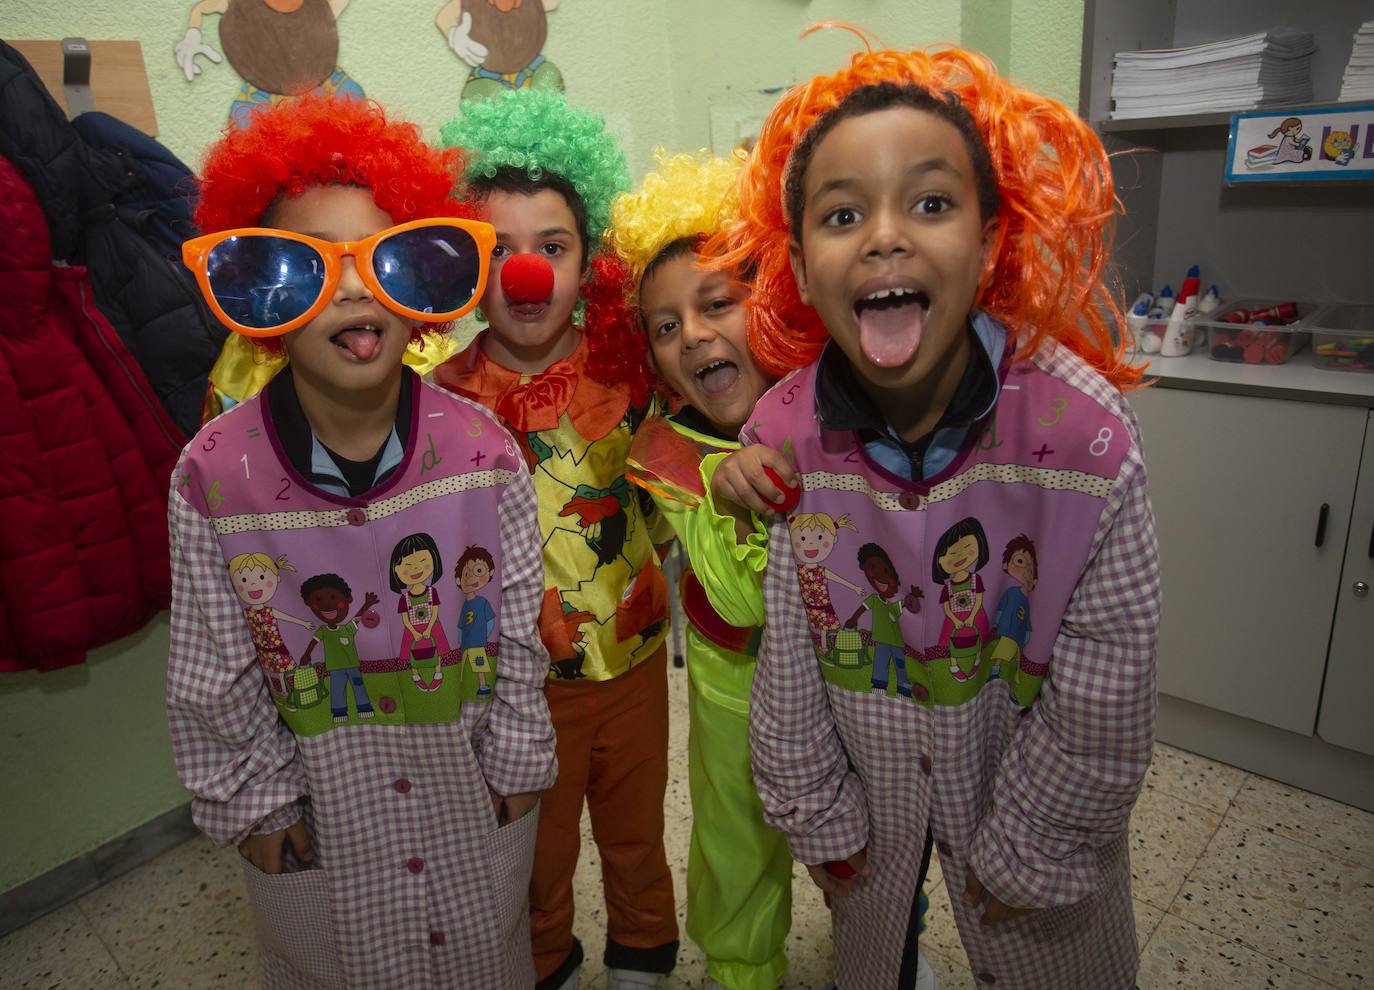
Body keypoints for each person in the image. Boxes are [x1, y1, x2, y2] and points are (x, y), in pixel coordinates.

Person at [712, 37, 1161, 990]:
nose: (884, 236)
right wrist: (814, 810)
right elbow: (789, 655)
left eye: (930, 202)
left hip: (1032, 771)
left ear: (992, 242)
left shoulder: (1085, 439)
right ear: (799, 262)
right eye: (843, 213)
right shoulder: (785, 431)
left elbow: (1105, 693)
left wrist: (1036, 846)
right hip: (866, 783)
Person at [166, 95, 556, 989]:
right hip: (319, 818)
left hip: (471, 798)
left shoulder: (486, 455)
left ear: (421, 281)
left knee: (481, 960)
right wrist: (256, 810)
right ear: (259, 296)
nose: (348, 288)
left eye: (382, 260)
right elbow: (210, 669)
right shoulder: (211, 478)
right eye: (302, 267)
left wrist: (521, 762)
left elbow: (521, 633)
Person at [434, 89, 677, 990]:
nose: (525, 274)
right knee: (532, 853)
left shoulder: (632, 371)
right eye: (496, 252)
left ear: (589, 264)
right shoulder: (439, 399)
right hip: (518, 688)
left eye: (553, 247)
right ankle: (544, 963)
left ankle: (644, 958)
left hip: (637, 656)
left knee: (636, 833)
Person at [610, 150, 795, 990]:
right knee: (734, 835)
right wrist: (725, 496)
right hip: (731, 682)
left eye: (718, 303)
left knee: (879, 828)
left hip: (849, 678)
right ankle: (741, 969)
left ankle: (885, 943)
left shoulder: (839, 411)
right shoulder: (667, 448)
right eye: (666, 325)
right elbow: (735, 593)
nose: (695, 334)